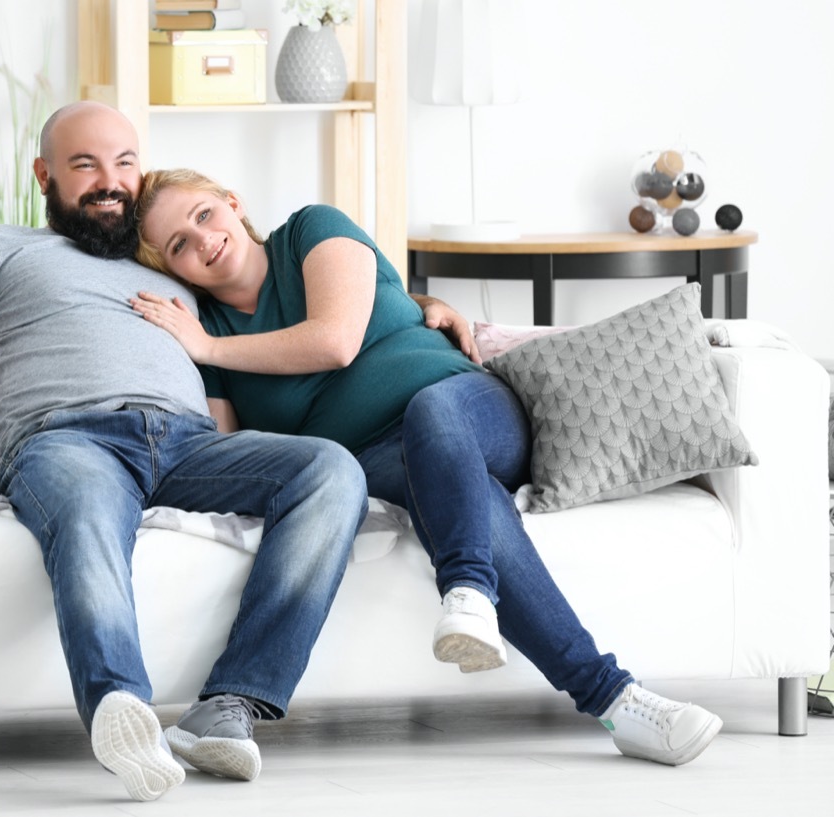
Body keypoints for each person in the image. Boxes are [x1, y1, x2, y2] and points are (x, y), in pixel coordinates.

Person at [0, 102, 373, 802]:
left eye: (124, 164)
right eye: (85, 165)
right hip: (65, 438)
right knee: (84, 509)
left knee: (329, 468)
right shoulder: (2, 247)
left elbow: (271, 304)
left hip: (186, 443)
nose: (109, 181)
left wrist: (425, 306)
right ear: (45, 175)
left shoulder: (172, 266)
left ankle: (229, 705)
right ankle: (119, 705)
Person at [130, 167, 724, 767]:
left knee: (432, 410)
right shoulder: (207, 334)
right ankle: (619, 702)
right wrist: (202, 356)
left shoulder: (312, 231)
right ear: (172, 268)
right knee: (472, 500)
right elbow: (237, 452)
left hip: (471, 409)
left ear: (232, 203)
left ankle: (467, 587)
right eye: (178, 244)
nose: (201, 240)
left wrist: (208, 348)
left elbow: (335, 339)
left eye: (203, 215)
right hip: (381, 460)